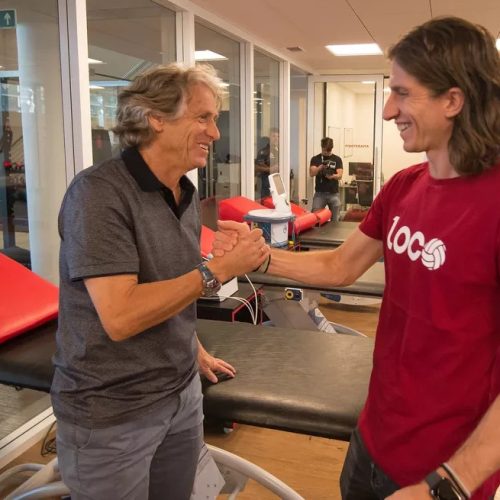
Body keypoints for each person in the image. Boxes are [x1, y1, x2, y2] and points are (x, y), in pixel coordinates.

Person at [213, 17, 500, 500]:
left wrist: (448, 485)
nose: (389, 111)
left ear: (453, 100)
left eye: (403, 94)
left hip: (441, 470)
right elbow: (339, 267)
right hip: (373, 434)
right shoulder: (405, 187)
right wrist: (255, 259)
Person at [51, 63, 269, 500]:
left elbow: (168, 286)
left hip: (181, 394)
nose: (216, 132)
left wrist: (192, 346)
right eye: (203, 118)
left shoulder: (183, 193)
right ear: (156, 118)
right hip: (113, 410)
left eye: (216, 119)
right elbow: (121, 314)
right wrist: (217, 271)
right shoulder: (98, 194)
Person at [309, 137, 343, 221]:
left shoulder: (337, 159)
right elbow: (311, 173)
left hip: (334, 194)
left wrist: (332, 176)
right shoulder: (315, 159)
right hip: (320, 194)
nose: (327, 152)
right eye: (325, 150)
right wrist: (319, 168)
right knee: (315, 218)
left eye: (329, 150)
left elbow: (340, 175)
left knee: (335, 220)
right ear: (321, 147)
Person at [255, 127, 279, 199]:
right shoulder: (264, 151)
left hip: (277, 180)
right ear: (270, 137)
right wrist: (270, 169)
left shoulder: (278, 150)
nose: (276, 138)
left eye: (278, 136)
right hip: (266, 181)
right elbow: (257, 167)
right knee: (266, 202)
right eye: (274, 136)